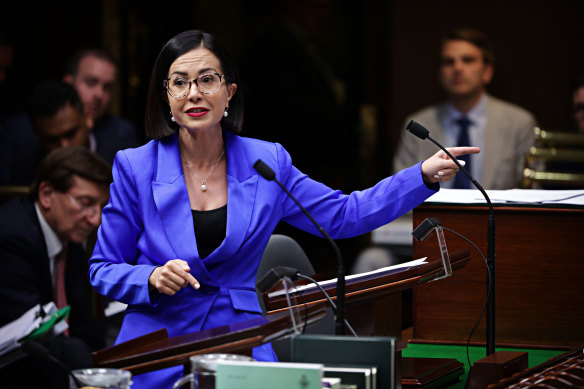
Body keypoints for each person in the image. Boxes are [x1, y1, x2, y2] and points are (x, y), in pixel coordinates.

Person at [87, 29, 479, 389]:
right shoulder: (135, 166)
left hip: (238, 338)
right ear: (166, 97)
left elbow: (344, 216)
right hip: (160, 344)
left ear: (229, 92)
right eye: (179, 82)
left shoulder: (266, 162)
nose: (194, 93)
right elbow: (102, 268)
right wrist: (151, 277)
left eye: (207, 79)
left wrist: (421, 176)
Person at [0, 146, 112, 388]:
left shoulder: (67, 236)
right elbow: (34, 339)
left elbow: (79, 323)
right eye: (85, 203)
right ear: (47, 194)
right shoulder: (12, 239)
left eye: (100, 206)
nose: (96, 219)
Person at [393, 28, 537, 190]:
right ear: (440, 73)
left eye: (467, 60)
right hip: (432, 215)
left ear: (487, 72)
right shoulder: (417, 126)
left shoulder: (519, 123)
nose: (457, 68)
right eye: (449, 61)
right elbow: (401, 192)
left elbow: (532, 192)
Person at [1, 80, 92, 186]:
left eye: (70, 134)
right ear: (37, 135)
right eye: (52, 140)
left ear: (87, 118)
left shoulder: (114, 156)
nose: (64, 146)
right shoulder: (24, 170)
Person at [62, 47, 144, 163]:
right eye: (91, 82)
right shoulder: (40, 128)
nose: (99, 95)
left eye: (107, 87)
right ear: (68, 83)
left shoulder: (123, 135)